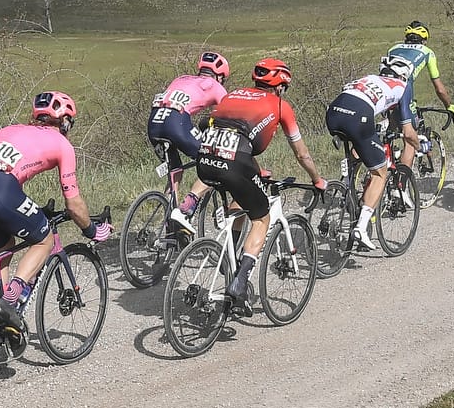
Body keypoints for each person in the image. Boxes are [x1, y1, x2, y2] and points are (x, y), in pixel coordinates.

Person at [0, 92, 111, 346]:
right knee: (44, 240)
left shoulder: (12, 129)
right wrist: (92, 231)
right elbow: (74, 205)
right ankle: (8, 304)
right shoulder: (62, 144)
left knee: (4, 248)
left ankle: (0, 317)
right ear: (65, 121)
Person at [193, 58, 326, 313]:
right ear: (280, 86)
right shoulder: (281, 105)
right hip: (236, 162)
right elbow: (302, 154)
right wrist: (316, 179)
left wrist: (254, 169)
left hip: (205, 159)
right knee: (262, 218)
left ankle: (229, 257)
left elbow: (219, 128)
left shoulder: (233, 94)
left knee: (241, 200)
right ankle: (240, 282)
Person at [326, 55, 415, 253]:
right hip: (358, 117)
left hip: (333, 113)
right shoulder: (403, 86)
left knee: (359, 144)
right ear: (404, 76)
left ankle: (346, 183)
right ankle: (361, 227)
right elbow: (408, 132)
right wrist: (420, 144)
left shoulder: (369, 78)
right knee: (380, 173)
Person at [150, 52, 230, 233]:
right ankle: (186, 210)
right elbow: (228, 116)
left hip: (154, 123)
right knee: (214, 162)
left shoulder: (181, 79)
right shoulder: (215, 86)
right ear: (220, 76)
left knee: (175, 171)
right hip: (175, 123)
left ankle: (171, 224)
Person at [383, 22, 454, 169]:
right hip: (403, 91)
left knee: (388, 130)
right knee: (410, 139)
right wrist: (449, 106)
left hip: (384, 90)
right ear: (424, 39)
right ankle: (403, 181)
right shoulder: (427, 52)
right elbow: (439, 89)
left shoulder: (393, 48)